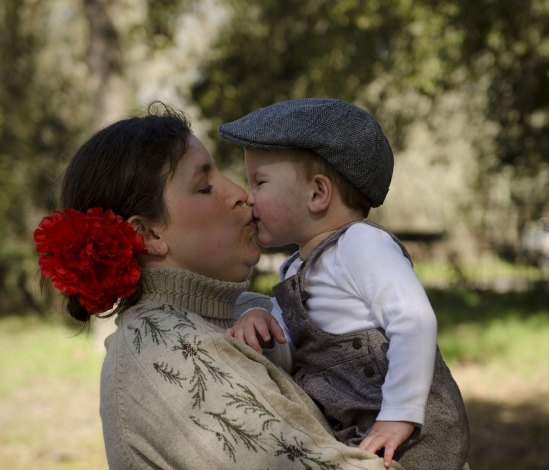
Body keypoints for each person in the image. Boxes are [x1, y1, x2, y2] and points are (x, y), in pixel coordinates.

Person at [34, 103, 405, 469]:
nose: (241, 194)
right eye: (205, 186)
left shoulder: (247, 310)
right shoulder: (158, 354)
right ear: (146, 234)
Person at [219, 98, 470, 469]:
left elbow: (414, 321)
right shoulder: (293, 272)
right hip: (356, 434)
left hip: (415, 435)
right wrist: (262, 326)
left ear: (318, 194)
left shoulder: (361, 245)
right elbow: (292, 355)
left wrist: (399, 414)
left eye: (260, 182)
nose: (248, 196)